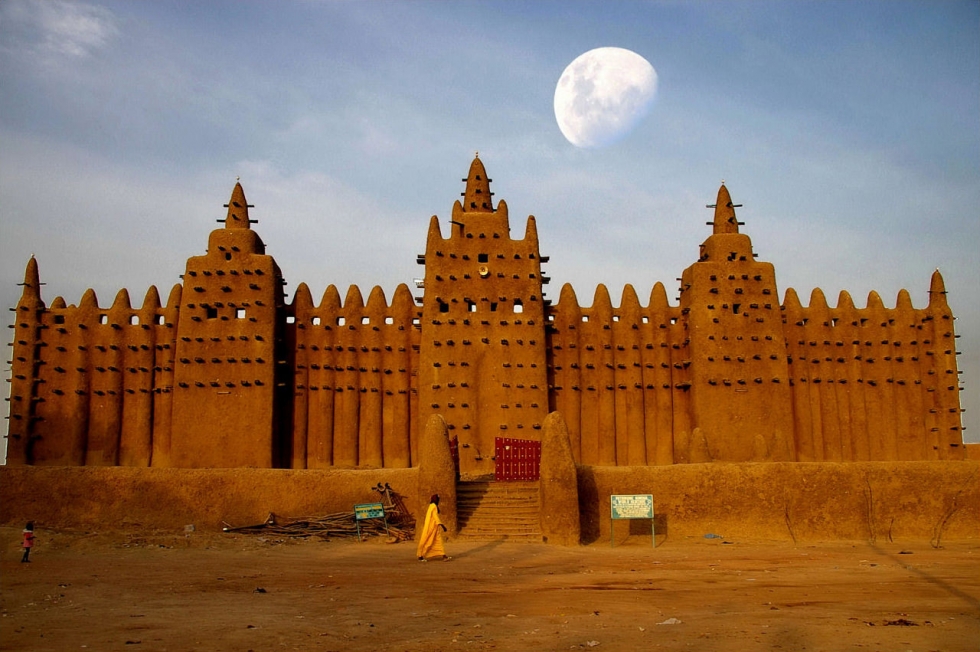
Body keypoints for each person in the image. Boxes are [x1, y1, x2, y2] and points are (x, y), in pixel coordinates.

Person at [416, 494, 450, 561]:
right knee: (427, 541)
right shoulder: (433, 506)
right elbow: (435, 517)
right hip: (431, 527)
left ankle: (444, 556)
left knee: (438, 541)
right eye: (438, 499)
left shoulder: (432, 506)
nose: (439, 501)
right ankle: (420, 555)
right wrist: (442, 525)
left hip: (434, 527)